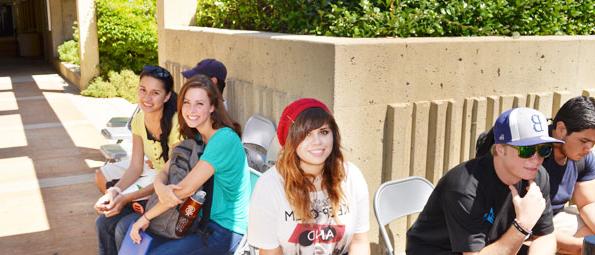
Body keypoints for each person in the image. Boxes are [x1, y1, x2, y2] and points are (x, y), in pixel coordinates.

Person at [407, 107, 562, 255]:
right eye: (527, 150)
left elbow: (545, 236)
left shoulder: (537, 176)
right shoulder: (465, 189)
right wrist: (523, 225)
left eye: (544, 149)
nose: (537, 159)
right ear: (501, 149)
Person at [127, 74, 251, 254]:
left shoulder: (223, 139)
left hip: (224, 231)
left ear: (212, 107)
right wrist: (159, 186)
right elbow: (165, 170)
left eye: (199, 104)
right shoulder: (198, 137)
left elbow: (184, 190)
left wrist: (145, 217)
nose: (191, 110)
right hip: (197, 221)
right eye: (186, 102)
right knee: (130, 236)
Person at [248, 98, 370, 255]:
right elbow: (271, 252)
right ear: (290, 140)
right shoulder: (270, 186)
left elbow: (359, 241)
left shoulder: (352, 177)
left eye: (324, 132)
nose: (317, 141)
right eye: (306, 134)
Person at [94, 65, 181, 255]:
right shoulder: (139, 120)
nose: (146, 98)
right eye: (143, 90)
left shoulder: (176, 124)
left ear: (166, 96)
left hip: (171, 190)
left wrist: (125, 198)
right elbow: (135, 166)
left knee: (122, 228)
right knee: (102, 223)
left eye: (155, 93)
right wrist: (114, 191)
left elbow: (168, 178)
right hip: (152, 185)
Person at [543, 96, 595, 254]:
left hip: (555, 218)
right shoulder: (534, 156)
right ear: (561, 130)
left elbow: (587, 204)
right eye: (584, 141)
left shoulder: (583, 157)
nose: (588, 149)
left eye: (593, 143)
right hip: (522, 226)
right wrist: (582, 247)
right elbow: (527, 226)